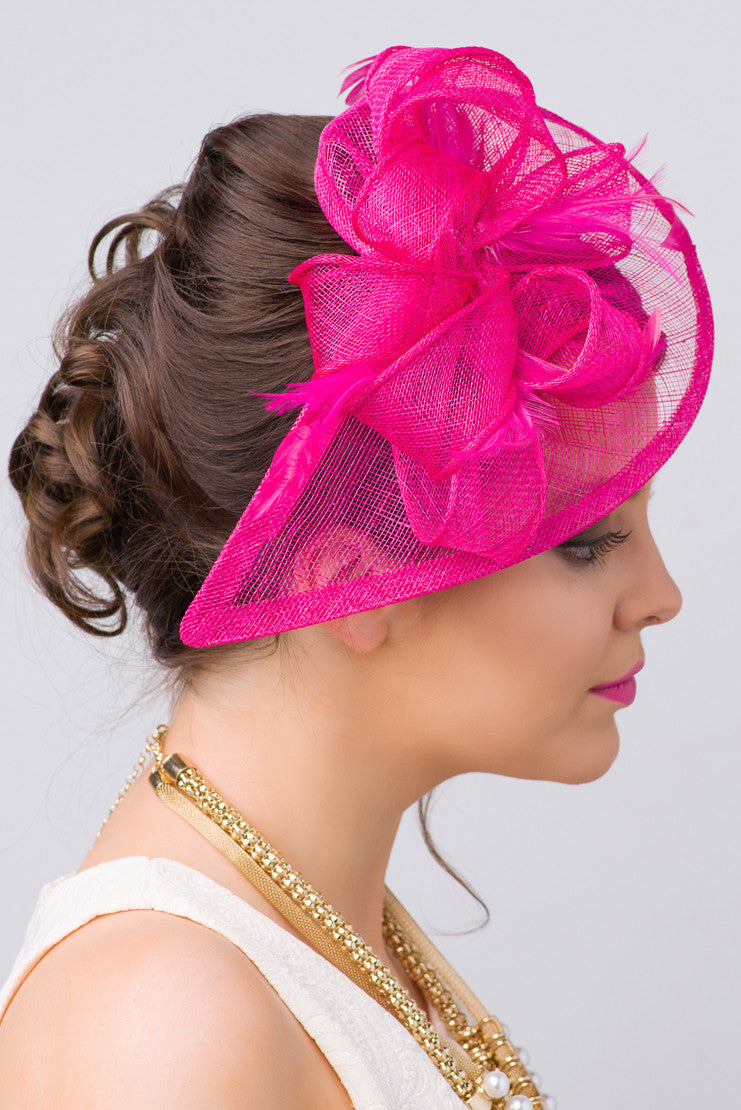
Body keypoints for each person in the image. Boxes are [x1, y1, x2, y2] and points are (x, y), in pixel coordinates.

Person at [0, 44, 712, 1110]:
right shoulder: (167, 1021)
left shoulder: (309, 935)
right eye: (586, 542)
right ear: (350, 582)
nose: (662, 597)